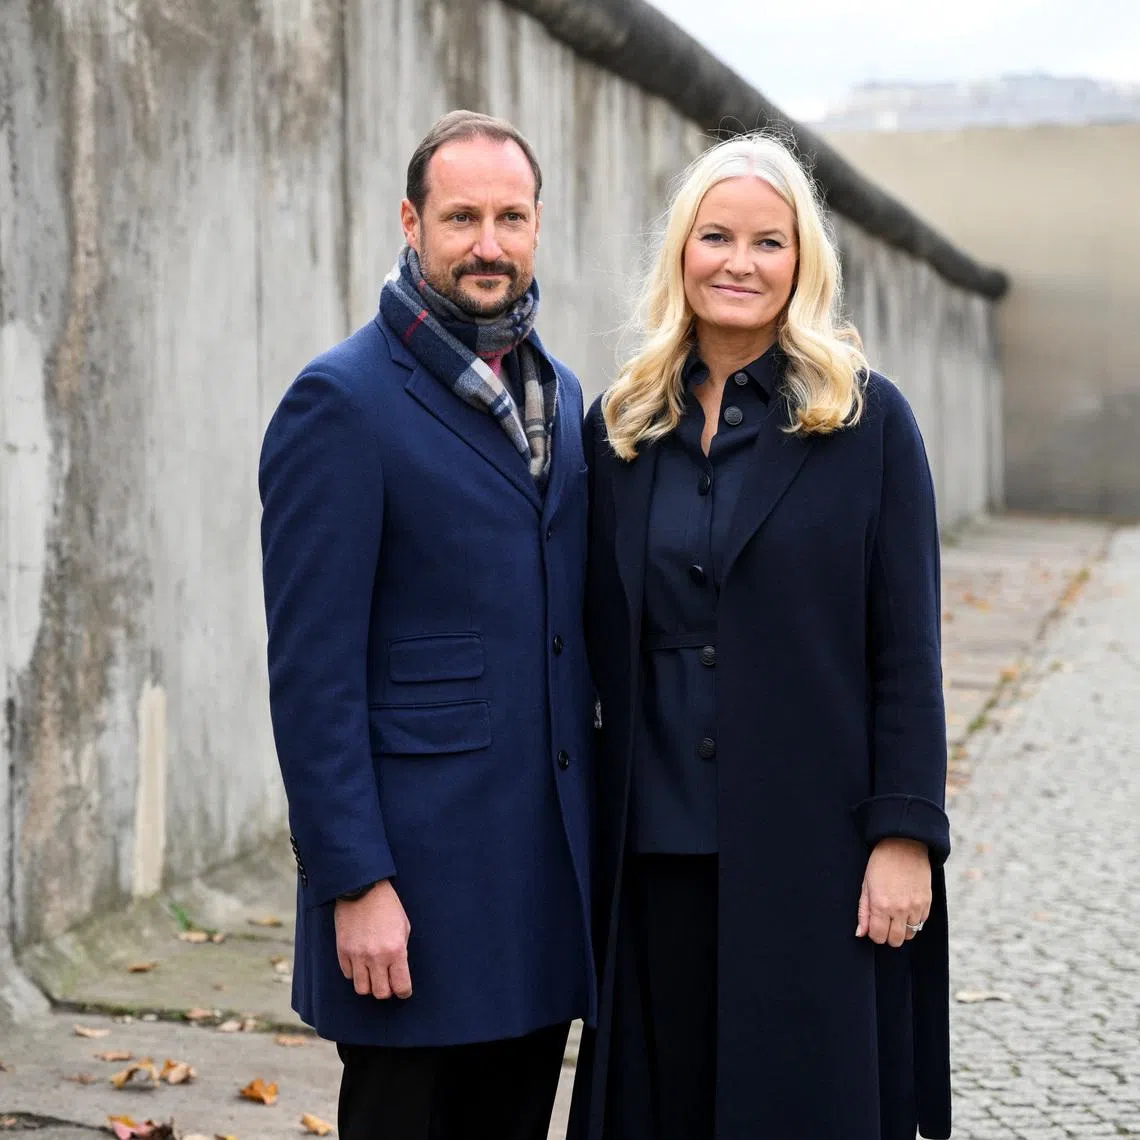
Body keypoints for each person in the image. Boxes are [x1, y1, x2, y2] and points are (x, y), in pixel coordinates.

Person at [568, 132, 952, 1140]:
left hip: (815, 848)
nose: (739, 263)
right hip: (652, 849)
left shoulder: (868, 423)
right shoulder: (619, 428)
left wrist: (904, 835)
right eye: (717, 237)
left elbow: (907, 652)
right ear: (680, 252)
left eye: (768, 242)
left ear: (801, 262)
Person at [259, 110, 596, 1140]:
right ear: (412, 224)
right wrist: (355, 880)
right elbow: (312, 676)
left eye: (510, 217)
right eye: (461, 218)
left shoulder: (560, 394)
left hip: (537, 888)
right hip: (413, 896)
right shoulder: (341, 403)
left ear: (537, 225)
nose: (488, 244)